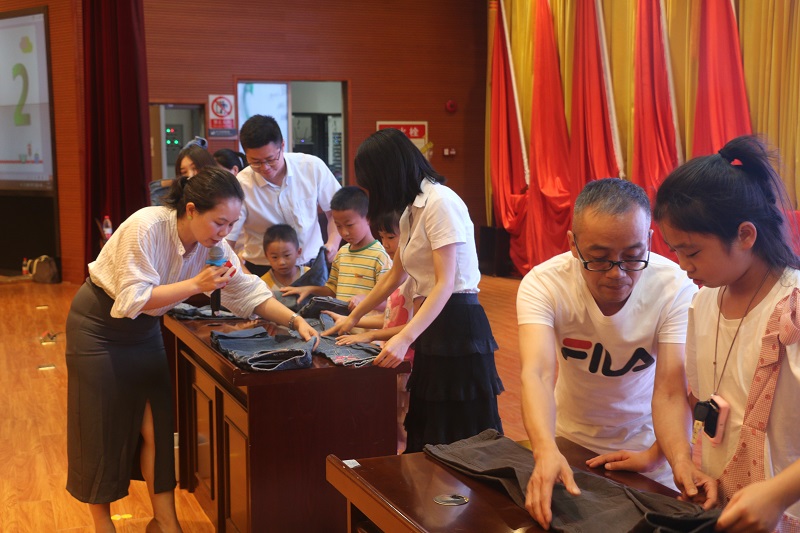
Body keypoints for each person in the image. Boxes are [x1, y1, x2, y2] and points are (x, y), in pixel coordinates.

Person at [65, 167, 318, 533]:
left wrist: (294, 320)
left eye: (232, 224)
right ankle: (103, 524)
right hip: (99, 327)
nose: (224, 232)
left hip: (145, 331)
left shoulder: (214, 247)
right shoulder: (147, 226)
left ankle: (165, 521)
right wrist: (195, 284)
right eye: (219, 222)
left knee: (157, 428)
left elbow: (245, 290)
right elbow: (132, 299)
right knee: (101, 428)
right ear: (191, 210)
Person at [516, 177, 697, 530]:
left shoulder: (673, 286)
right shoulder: (544, 284)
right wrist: (545, 448)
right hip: (569, 443)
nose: (617, 274)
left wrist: (671, 458)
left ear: (649, 241)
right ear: (573, 245)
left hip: (649, 447)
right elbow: (537, 373)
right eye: (599, 259)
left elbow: (672, 389)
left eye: (632, 257)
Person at [324, 128, 504, 454]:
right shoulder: (411, 210)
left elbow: (445, 283)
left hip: (457, 324)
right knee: (430, 429)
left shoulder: (440, 202)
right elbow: (395, 275)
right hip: (432, 323)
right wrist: (354, 317)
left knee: (462, 431)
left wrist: (404, 337)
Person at [653, 135, 800, 532]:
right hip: (725, 504)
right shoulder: (702, 303)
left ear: (746, 235)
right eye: (675, 250)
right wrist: (682, 460)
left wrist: (777, 494)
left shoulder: (793, 308)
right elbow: (698, 398)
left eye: (692, 252)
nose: (683, 265)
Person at [322, 209, 419, 453]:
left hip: (406, 362)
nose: (386, 244)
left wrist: (369, 335)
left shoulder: (416, 278)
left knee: (403, 423)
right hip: (389, 358)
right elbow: (389, 320)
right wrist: (352, 321)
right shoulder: (398, 276)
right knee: (389, 420)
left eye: (391, 237)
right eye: (382, 237)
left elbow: (413, 326)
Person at [226, 115, 342, 276]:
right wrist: (248, 279)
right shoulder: (241, 185)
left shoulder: (311, 167)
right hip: (262, 270)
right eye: (256, 162)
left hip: (312, 266)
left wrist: (333, 243)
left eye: (270, 159)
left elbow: (336, 212)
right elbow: (227, 242)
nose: (265, 168)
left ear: (282, 145)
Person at [281, 186, 390, 306]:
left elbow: (389, 302)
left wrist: (364, 300)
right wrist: (309, 289)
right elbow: (332, 291)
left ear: (368, 218)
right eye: (338, 226)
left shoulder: (381, 256)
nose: (344, 232)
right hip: (340, 317)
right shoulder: (342, 253)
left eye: (349, 225)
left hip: (368, 319)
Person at [150, 144, 218, 206]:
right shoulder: (180, 202)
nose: (190, 175)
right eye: (184, 172)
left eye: (195, 168)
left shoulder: (220, 198)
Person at [260, 223, 309, 291]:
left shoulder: (310, 274)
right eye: (274, 257)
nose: (281, 262)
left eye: (287, 255)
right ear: (266, 256)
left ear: (298, 252)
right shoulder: (263, 284)